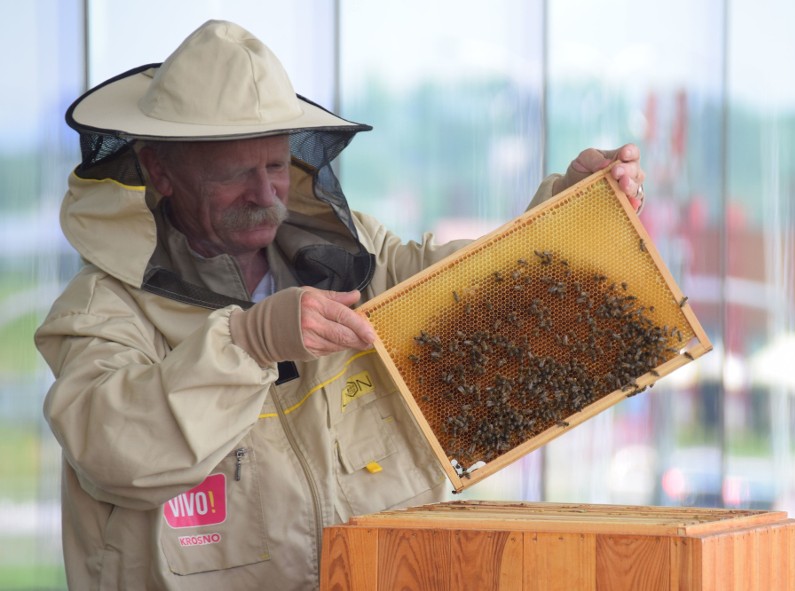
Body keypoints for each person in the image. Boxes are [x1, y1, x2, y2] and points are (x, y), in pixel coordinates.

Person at [35, 19, 646, 591]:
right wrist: (248, 342)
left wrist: (569, 214)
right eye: (233, 173)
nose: (264, 192)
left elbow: (471, 292)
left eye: (275, 164)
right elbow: (115, 449)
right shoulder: (101, 311)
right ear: (158, 171)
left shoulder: (352, 254)